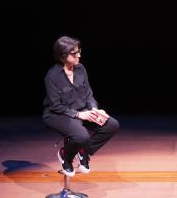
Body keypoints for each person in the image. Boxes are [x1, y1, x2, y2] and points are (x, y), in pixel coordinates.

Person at [43, 36, 120, 176]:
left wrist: (94, 108)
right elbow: (55, 105)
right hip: (58, 114)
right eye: (75, 53)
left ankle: (82, 150)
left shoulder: (80, 69)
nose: (79, 55)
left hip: (81, 110)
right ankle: (66, 156)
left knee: (111, 125)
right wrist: (79, 115)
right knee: (82, 136)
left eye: (79, 51)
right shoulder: (52, 76)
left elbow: (88, 94)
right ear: (62, 55)